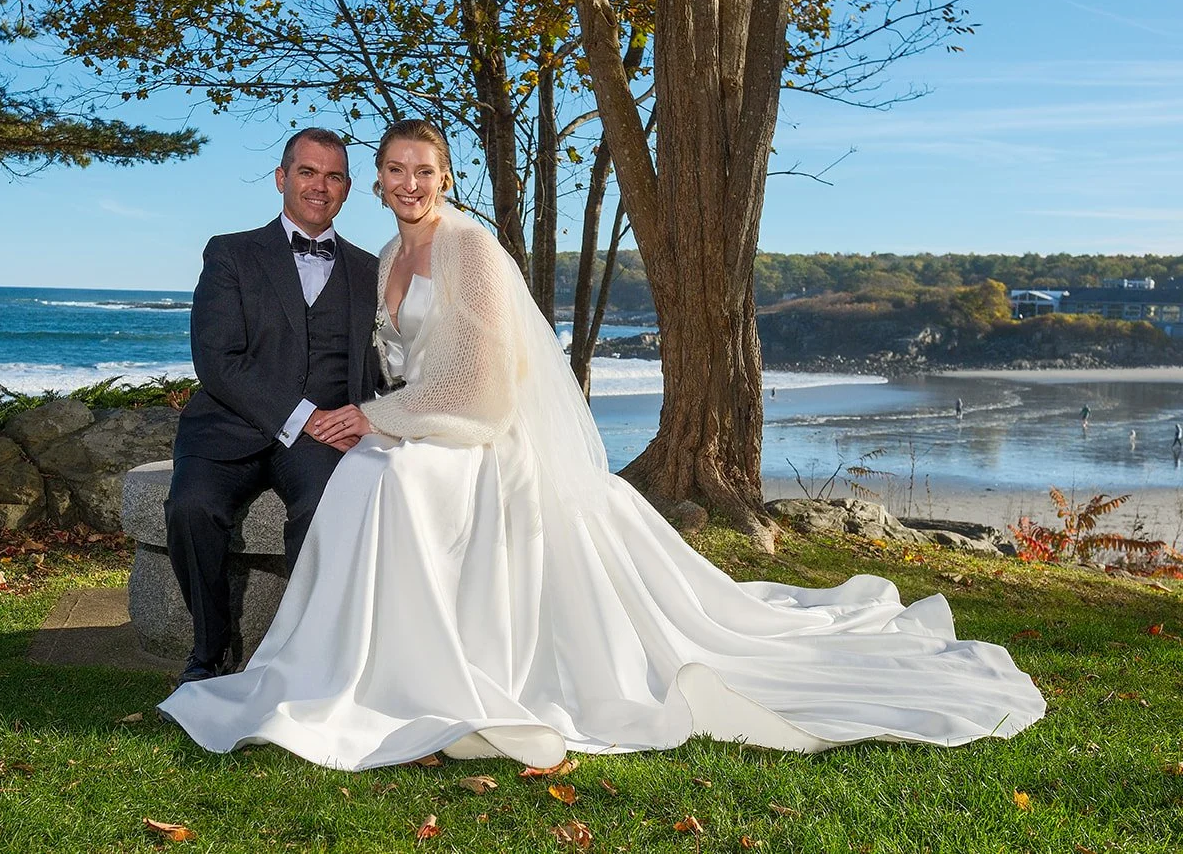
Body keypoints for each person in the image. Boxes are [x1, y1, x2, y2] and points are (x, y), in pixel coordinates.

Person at [160, 119, 1045, 770]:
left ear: (444, 176)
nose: (407, 182)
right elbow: (368, 367)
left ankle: (413, 676)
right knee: (366, 478)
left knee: (385, 482)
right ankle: (345, 666)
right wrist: (374, 419)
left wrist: (376, 420)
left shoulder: (469, 248)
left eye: (420, 170)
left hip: (476, 433)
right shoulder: (385, 258)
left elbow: (482, 388)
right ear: (366, 181)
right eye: (394, 169)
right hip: (409, 423)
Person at [164, 128, 381, 684]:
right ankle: (210, 650)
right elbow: (217, 359)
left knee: (326, 509)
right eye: (307, 172)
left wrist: (376, 419)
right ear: (282, 178)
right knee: (191, 508)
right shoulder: (230, 253)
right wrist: (302, 415)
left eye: (333, 176)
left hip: (321, 438)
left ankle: (310, 653)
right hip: (228, 426)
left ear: (347, 188)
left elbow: (380, 366)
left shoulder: (369, 270)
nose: (319, 186)